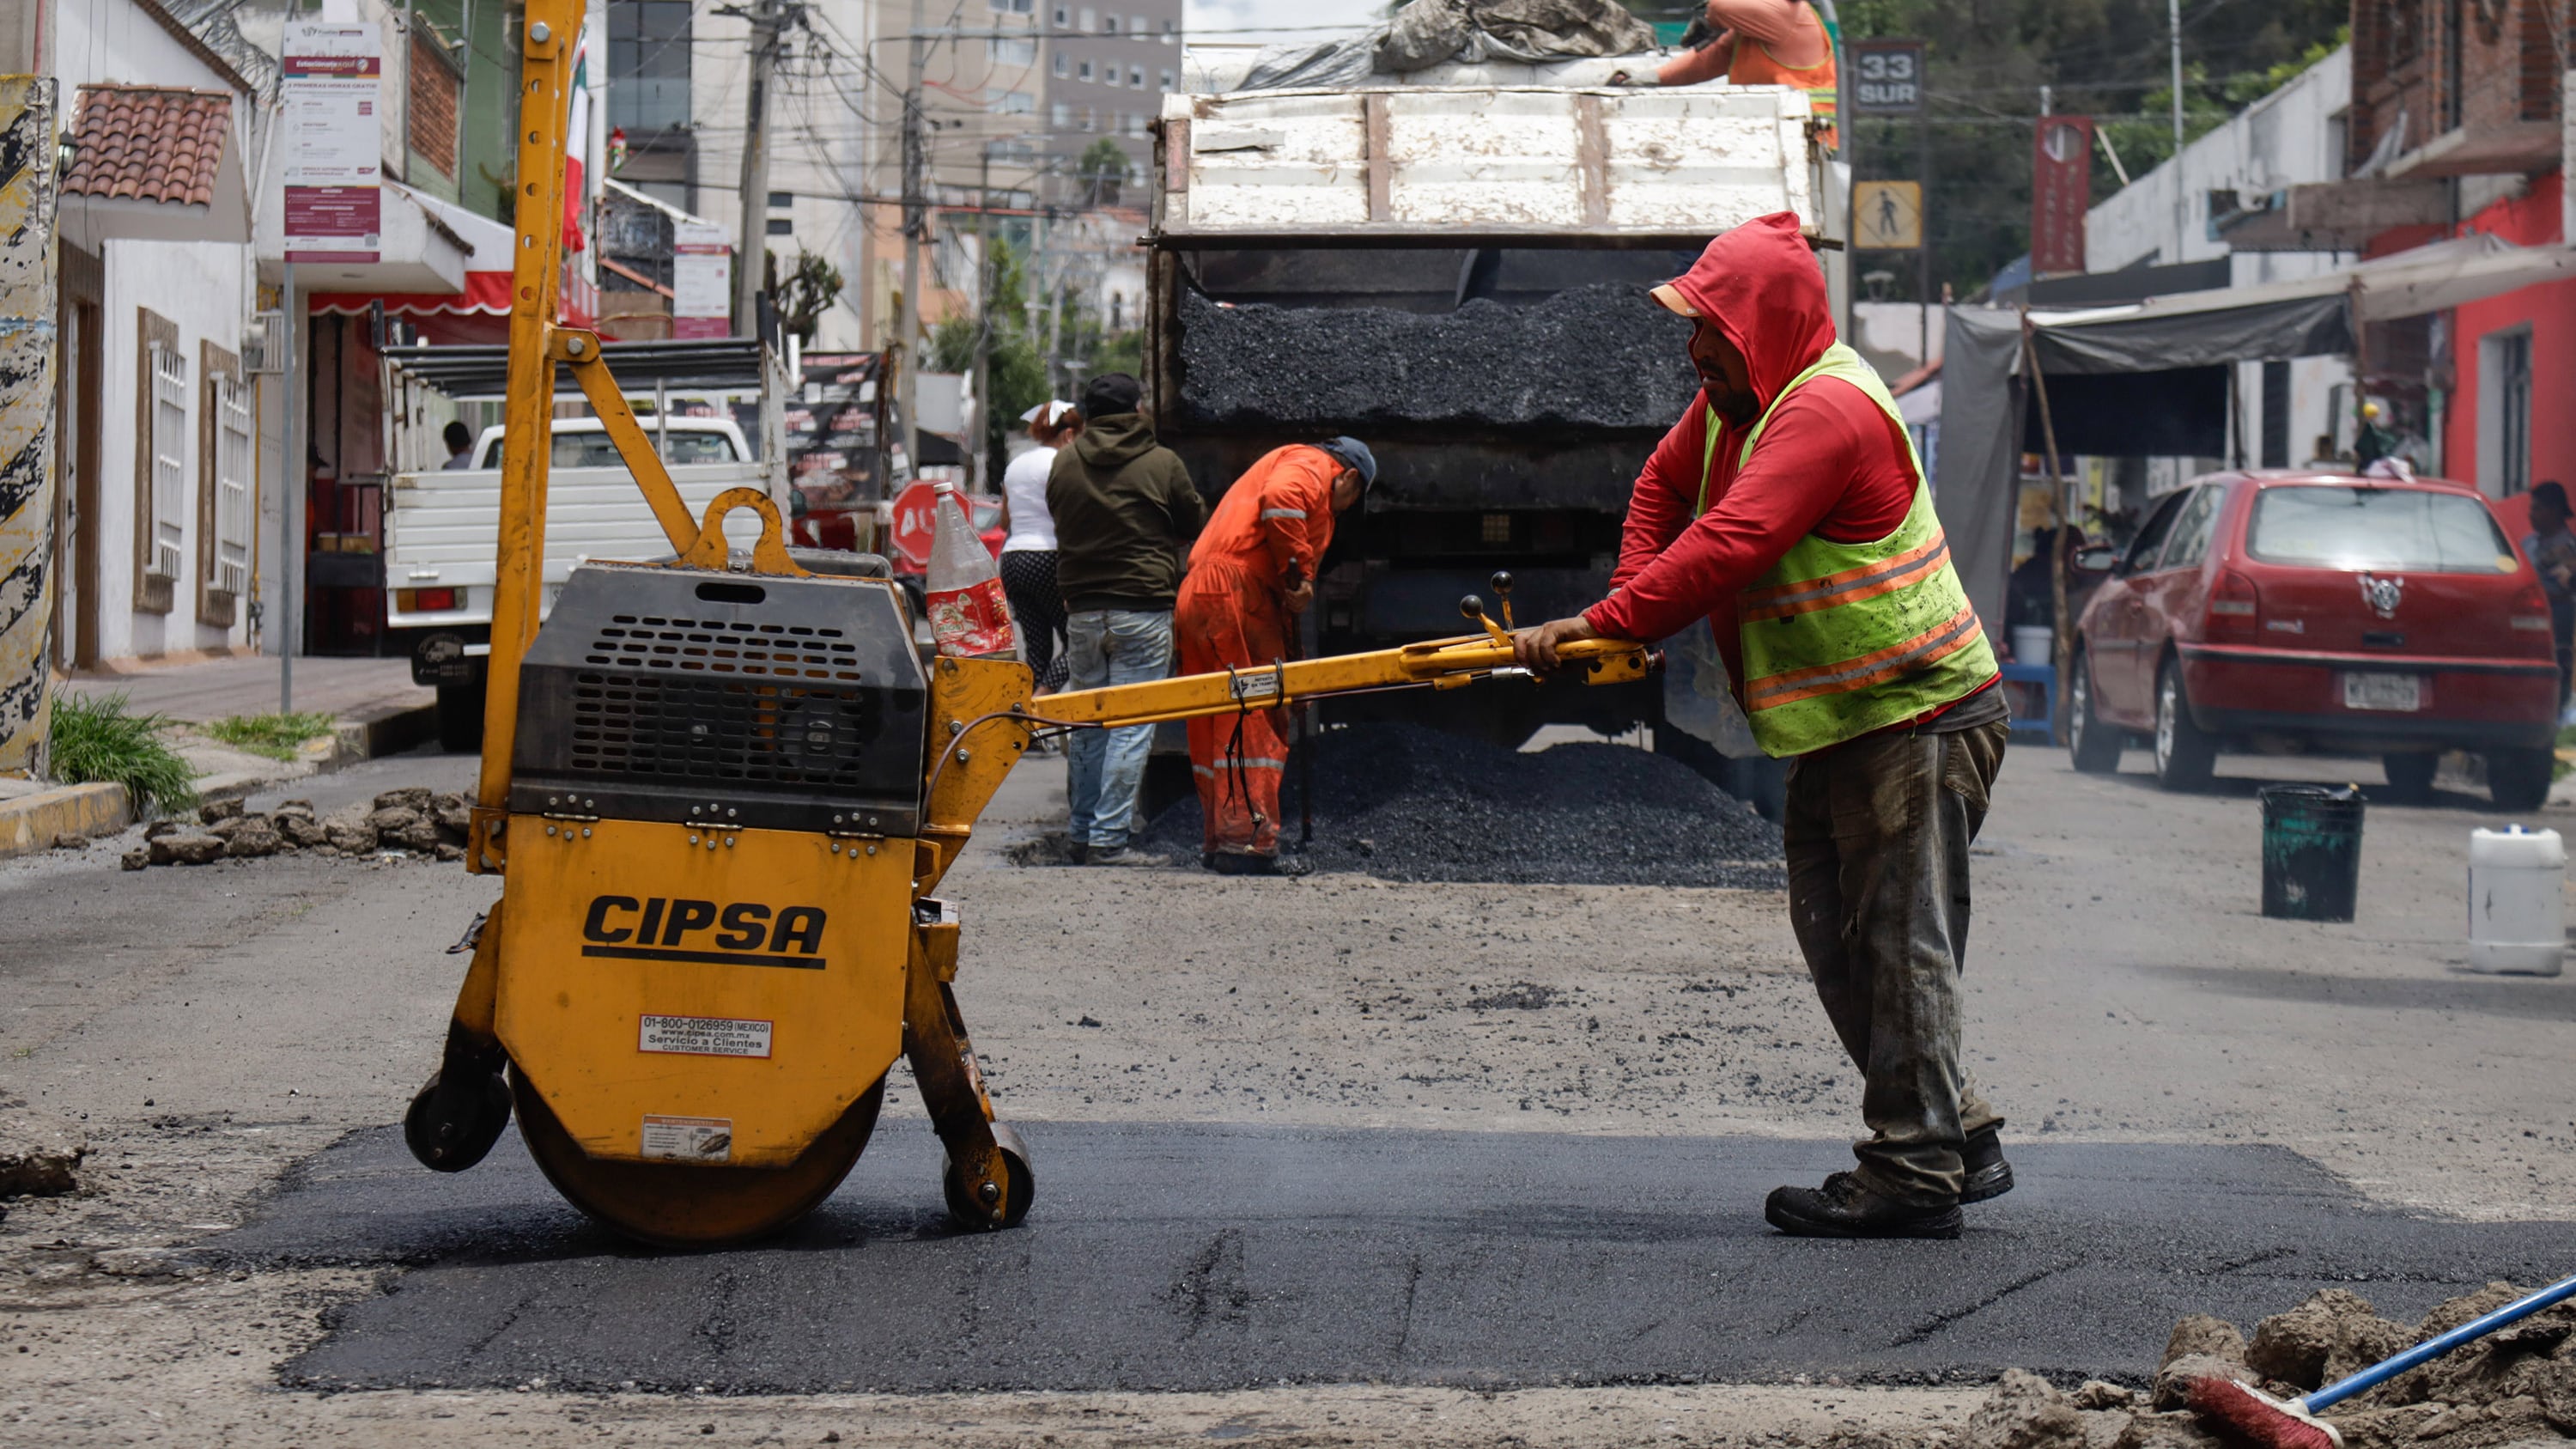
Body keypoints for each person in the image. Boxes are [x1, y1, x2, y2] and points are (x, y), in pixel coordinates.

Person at [1511, 212, 2011, 1240]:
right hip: (1843, 723)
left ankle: (1915, 1169)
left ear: (1765, 328)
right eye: (1694, 328)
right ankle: (1955, 1130)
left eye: (1713, 328)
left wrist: (1611, 620)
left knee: (1898, 942)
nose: (1696, 350)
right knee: (1840, 938)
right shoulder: (1732, 405)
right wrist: (1629, 605)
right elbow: (1662, 488)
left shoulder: (1824, 409)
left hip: (1915, 711)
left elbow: (1731, 541)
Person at [1176, 436, 1374, 874]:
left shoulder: (1277, 464)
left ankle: (1220, 838)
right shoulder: (1310, 463)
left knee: (1213, 716)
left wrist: (1293, 657)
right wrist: (1302, 574)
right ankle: (1246, 844)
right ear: (1349, 477)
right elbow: (1282, 501)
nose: (1341, 510)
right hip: (1235, 593)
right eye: (1350, 500)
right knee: (1254, 713)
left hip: (1199, 593)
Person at [1047, 373, 1206, 864]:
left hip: (1083, 611)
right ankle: (1109, 840)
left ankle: (1081, 833)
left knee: (1088, 723)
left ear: (1089, 415)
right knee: (1130, 726)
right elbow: (1193, 522)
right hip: (1142, 608)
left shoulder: (1065, 461)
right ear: (1137, 410)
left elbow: (1059, 517)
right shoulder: (1162, 462)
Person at [1651, 0, 1837, 143]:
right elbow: (1709, 60)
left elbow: (1720, 7)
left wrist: (1712, 20)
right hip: (1775, 134)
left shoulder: (1784, 14)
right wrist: (1655, 77)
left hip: (1801, 138)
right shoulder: (1760, 26)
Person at [999, 401, 1081, 693]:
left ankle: (1022, 710)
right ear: (1069, 435)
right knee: (1077, 644)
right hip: (1047, 557)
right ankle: (1040, 700)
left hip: (1013, 560)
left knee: (1037, 649)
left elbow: (1005, 521)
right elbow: (1068, 519)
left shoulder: (1016, 464)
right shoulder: (1062, 463)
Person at [2523, 481, 2576, 711]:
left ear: (2554, 510)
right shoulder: (2528, 543)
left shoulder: (2569, 549)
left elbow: (2567, 590)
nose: (2531, 514)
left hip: (2557, 622)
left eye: (2537, 508)